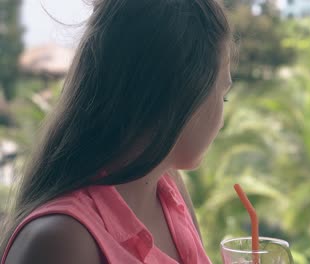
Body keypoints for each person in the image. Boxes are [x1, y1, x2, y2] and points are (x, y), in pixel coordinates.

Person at [0, 0, 232, 263]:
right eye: (223, 95)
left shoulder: (168, 192)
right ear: (181, 95)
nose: (222, 121)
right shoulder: (62, 242)